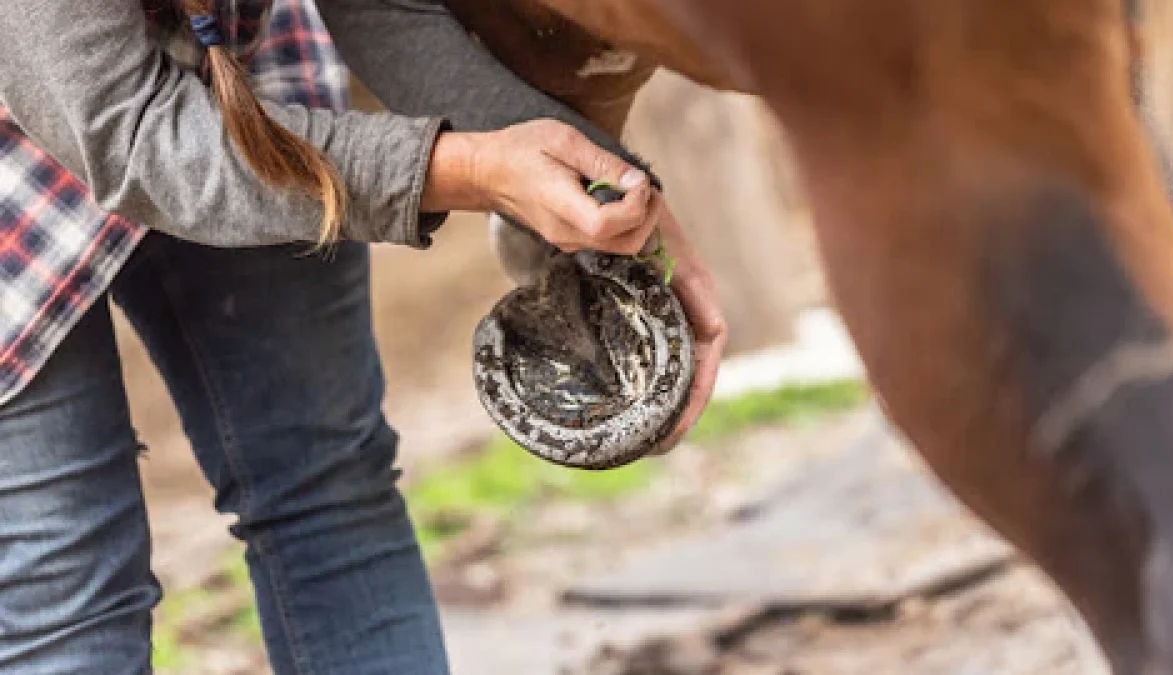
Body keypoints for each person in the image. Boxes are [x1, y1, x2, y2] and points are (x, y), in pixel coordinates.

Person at [0, 0, 727, 673]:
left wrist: (610, 193)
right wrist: (463, 171)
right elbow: (138, 140)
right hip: (46, 146)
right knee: (65, 587)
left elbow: (376, 4)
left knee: (328, 492)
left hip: (239, 70)